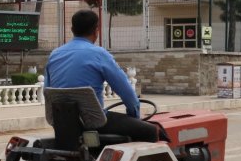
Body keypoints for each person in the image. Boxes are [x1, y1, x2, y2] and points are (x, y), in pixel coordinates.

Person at [45, 9, 159, 142]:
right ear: (96, 31)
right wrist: (134, 116)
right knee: (151, 131)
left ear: (72, 29)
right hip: (95, 124)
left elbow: (48, 91)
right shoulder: (99, 54)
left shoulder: (55, 55)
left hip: (63, 123)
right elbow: (127, 92)